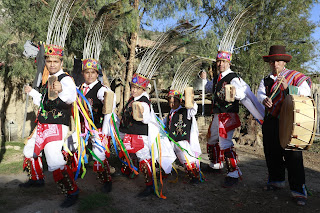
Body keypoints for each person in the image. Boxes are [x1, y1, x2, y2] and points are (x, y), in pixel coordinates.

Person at [22, 50, 79, 208]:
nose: (52, 64)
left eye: (55, 61)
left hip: (57, 124)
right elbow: (44, 101)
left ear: (61, 62)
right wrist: (32, 92)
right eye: (49, 61)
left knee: (54, 159)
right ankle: (37, 179)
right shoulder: (49, 79)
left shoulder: (65, 79)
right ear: (46, 62)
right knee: (29, 151)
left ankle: (72, 191)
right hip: (43, 123)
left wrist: (61, 89)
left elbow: (71, 97)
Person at [257, 45, 311, 206]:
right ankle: (276, 181)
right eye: (273, 61)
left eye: (279, 61)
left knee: (293, 155)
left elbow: (306, 93)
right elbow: (260, 93)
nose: (275, 64)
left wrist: (289, 88)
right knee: (271, 151)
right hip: (271, 119)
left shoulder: (295, 77)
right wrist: (263, 99)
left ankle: (298, 190)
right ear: (269, 63)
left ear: (284, 63)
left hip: (291, 119)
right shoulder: (266, 80)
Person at [202, 52, 246, 187]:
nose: (220, 64)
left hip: (227, 114)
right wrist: (204, 79)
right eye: (218, 61)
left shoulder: (234, 78)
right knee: (212, 138)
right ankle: (215, 164)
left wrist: (233, 92)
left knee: (225, 142)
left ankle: (234, 172)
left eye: (223, 61)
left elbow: (242, 92)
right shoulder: (217, 78)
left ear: (229, 63)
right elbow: (208, 87)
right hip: (217, 113)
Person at [76, 59, 116, 193]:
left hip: (97, 127)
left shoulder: (101, 89)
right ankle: (74, 174)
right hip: (82, 128)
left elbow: (110, 101)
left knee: (99, 155)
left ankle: (106, 181)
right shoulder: (80, 88)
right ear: (83, 73)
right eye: (87, 72)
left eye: (93, 72)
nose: (90, 75)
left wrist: (104, 130)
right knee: (73, 149)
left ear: (97, 73)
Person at [119, 73, 154, 197]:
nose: (133, 90)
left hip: (139, 134)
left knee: (143, 158)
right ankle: (131, 172)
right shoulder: (133, 99)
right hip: (130, 132)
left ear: (143, 89)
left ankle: (150, 186)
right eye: (132, 86)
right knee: (129, 154)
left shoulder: (143, 102)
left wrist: (142, 112)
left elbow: (146, 119)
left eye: (137, 88)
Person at [164, 90, 201, 184]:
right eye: (170, 102)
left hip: (181, 140)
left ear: (180, 101)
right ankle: (166, 171)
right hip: (172, 139)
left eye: (175, 102)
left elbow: (194, 109)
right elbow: (164, 123)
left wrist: (188, 101)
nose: (172, 104)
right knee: (166, 155)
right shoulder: (170, 114)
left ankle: (194, 177)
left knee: (185, 157)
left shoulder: (186, 111)